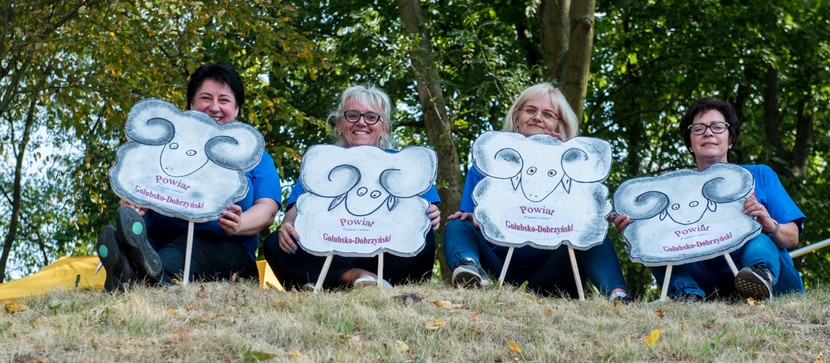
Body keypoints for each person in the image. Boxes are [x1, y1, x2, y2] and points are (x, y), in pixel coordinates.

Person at [97, 62, 281, 290]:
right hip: (156, 240)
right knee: (137, 241)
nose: (214, 107)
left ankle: (137, 275)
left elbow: (267, 210)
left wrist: (240, 223)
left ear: (236, 110)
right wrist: (133, 205)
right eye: (206, 98)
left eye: (224, 100)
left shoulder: (255, 158)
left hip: (226, 250)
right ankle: (129, 266)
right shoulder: (161, 148)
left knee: (186, 248)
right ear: (191, 105)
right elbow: (140, 187)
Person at [442, 83, 630, 301]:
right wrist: (474, 218)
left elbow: (588, 215)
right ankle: (470, 270)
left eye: (548, 114)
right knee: (456, 224)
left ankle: (618, 296)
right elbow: (470, 217)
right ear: (516, 117)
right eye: (530, 110)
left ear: (559, 124)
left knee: (592, 234)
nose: (537, 117)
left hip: (555, 270)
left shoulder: (576, 172)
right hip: (498, 269)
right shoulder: (487, 167)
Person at [610, 98, 805, 301]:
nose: (708, 133)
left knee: (755, 232)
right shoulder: (674, 191)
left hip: (777, 280)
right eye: (698, 128)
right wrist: (638, 232)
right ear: (690, 144)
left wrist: (768, 223)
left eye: (718, 127)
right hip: (710, 285)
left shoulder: (760, 175)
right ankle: (687, 294)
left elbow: (792, 238)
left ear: (730, 139)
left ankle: (761, 277)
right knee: (655, 241)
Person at [263, 84, 440, 290]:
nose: (361, 122)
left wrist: (432, 214)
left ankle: (335, 281)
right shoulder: (320, 165)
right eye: (352, 115)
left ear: (384, 128)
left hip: (386, 254)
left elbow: (427, 211)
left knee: (423, 235)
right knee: (275, 243)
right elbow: (295, 214)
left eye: (371, 117)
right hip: (331, 250)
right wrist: (287, 226)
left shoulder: (406, 165)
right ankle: (355, 276)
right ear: (339, 125)